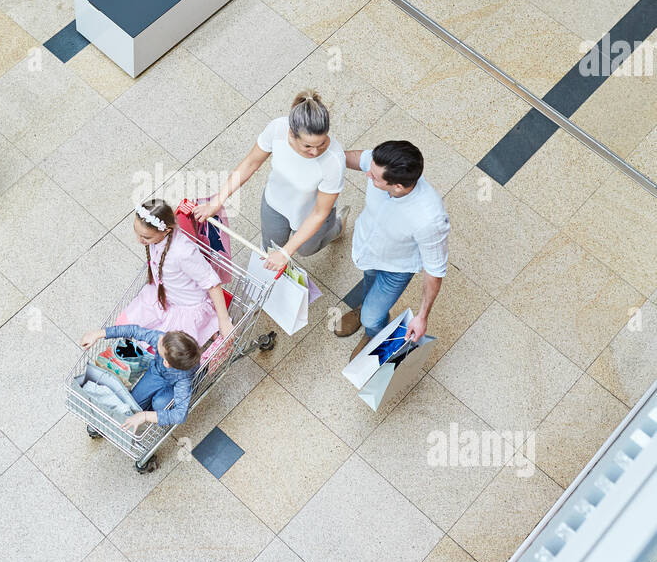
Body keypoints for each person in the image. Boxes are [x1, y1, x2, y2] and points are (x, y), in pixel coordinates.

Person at [194, 90, 345, 271]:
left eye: (322, 143)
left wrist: (287, 253)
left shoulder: (334, 160)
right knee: (270, 248)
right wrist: (217, 200)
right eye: (308, 146)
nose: (315, 152)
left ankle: (337, 227)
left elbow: (319, 213)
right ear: (291, 134)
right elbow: (251, 163)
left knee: (306, 249)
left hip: (311, 214)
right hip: (274, 204)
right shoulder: (277, 129)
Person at [335, 139, 449, 360]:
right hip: (367, 252)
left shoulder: (429, 219)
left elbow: (435, 271)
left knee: (372, 317)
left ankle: (373, 333)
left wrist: (422, 316)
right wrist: (323, 153)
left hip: (395, 267)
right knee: (369, 284)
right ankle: (365, 308)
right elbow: (361, 159)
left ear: (397, 186)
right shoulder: (381, 165)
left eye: (375, 178)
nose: (368, 175)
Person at [118, 199, 233, 346]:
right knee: (125, 324)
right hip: (166, 294)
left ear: (166, 231)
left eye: (146, 237)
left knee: (162, 348)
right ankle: (209, 329)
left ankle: (210, 325)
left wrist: (224, 321)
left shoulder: (183, 252)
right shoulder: (157, 238)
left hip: (187, 306)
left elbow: (212, 282)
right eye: (138, 233)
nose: (139, 240)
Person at [79, 323, 200, 442]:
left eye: (160, 347)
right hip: (156, 373)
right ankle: (146, 407)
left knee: (159, 404)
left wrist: (145, 416)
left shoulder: (184, 380)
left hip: (174, 386)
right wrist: (98, 334)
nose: (158, 340)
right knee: (133, 406)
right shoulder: (163, 339)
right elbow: (133, 330)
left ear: (166, 363)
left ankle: (154, 406)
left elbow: (180, 415)